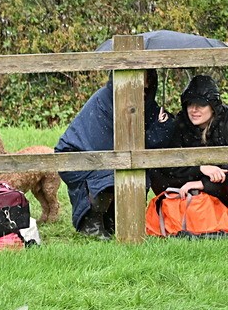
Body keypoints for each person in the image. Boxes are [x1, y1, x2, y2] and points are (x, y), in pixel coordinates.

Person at [55, 70, 173, 239]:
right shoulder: (106, 102)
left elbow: (149, 141)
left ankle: (115, 220)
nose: (144, 88)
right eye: (139, 79)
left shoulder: (146, 103)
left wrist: (164, 125)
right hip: (78, 155)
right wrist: (155, 133)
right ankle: (92, 222)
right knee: (112, 172)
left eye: (147, 82)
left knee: (137, 169)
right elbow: (128, 143)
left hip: (108, 157)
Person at [152, 75, 228, 207]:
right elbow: (167, 165)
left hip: (221, 191)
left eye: (201, 104)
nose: (194, 110)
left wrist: (203, 184)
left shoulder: (225, 123)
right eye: (190, 104)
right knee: (156, 170)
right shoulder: (180, 124)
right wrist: (199, 169)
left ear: (213, 106)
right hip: (185, 194)